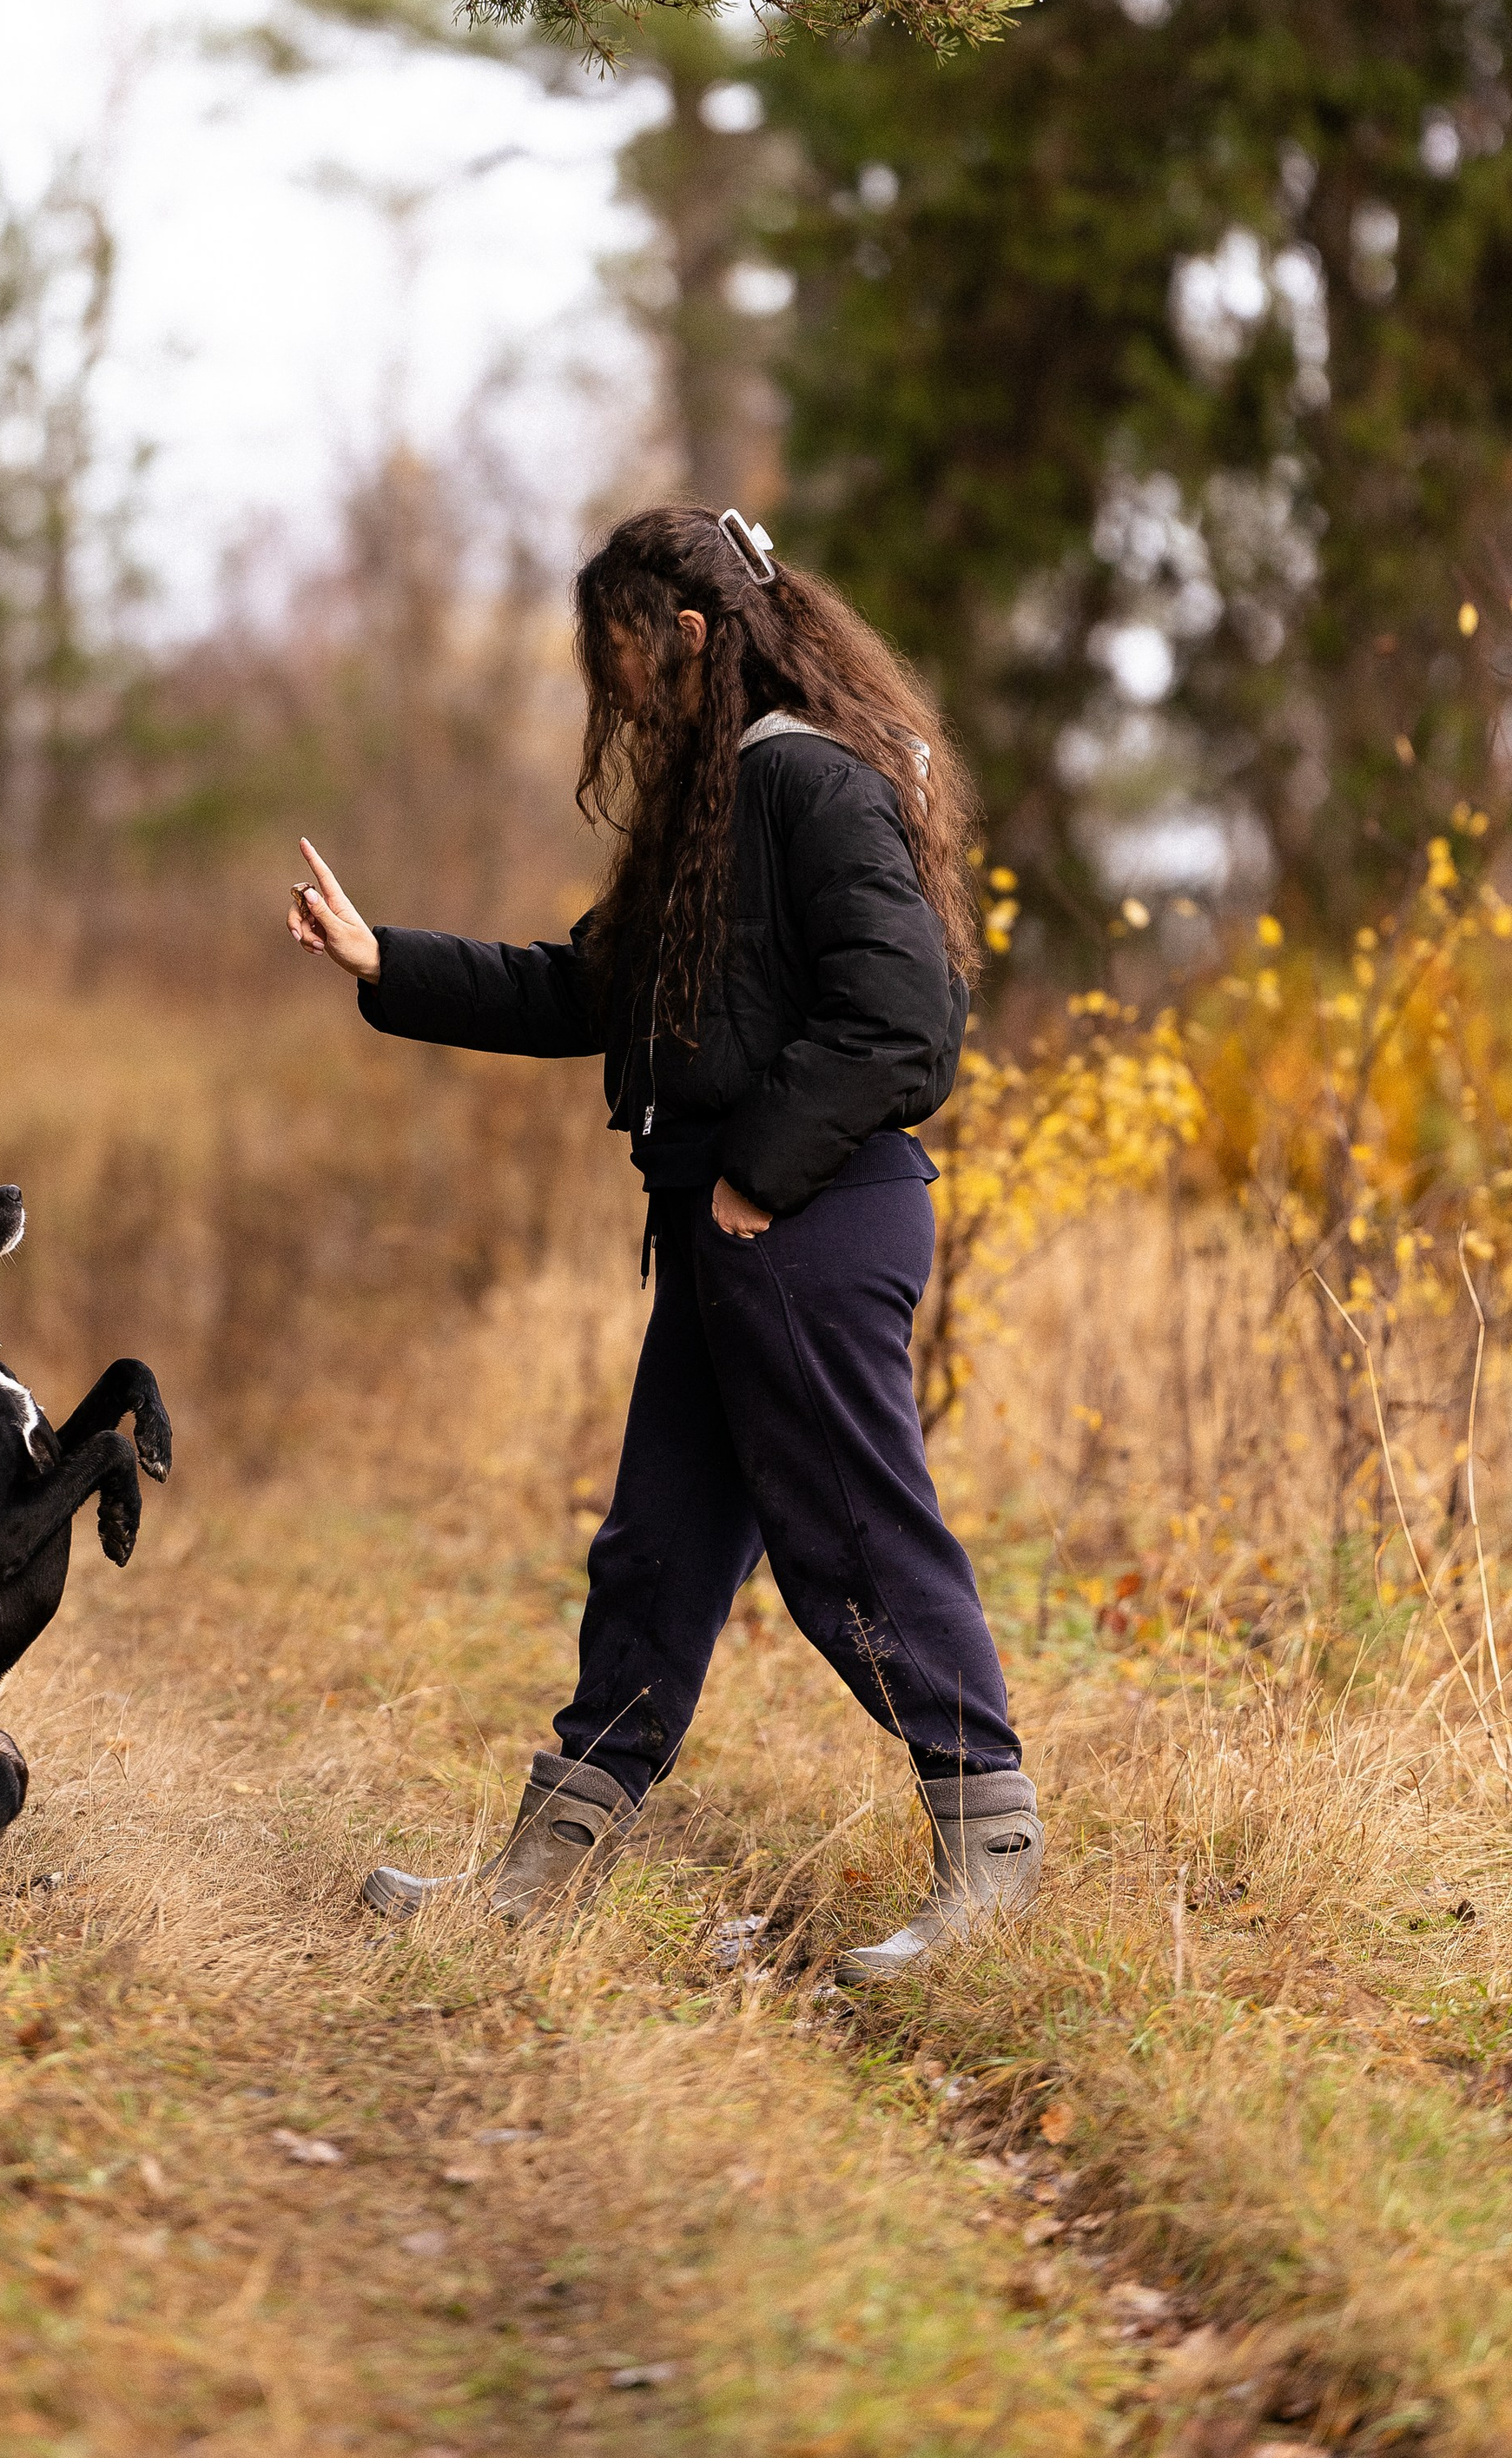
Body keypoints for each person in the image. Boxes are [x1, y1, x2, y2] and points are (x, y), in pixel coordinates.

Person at [285, 502, 1040, 1984]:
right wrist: (387, 964)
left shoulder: (807, 784)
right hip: (737, 1233)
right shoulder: (719, 811)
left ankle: (993, 1858)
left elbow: (909, 1019)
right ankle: (534, 1877)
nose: (614, 692)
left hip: (811, 1220)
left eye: (624, 656)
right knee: (658, 1552)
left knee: (854, 1542)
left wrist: (757, 1176)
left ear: (693, 636)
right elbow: (588, 991)